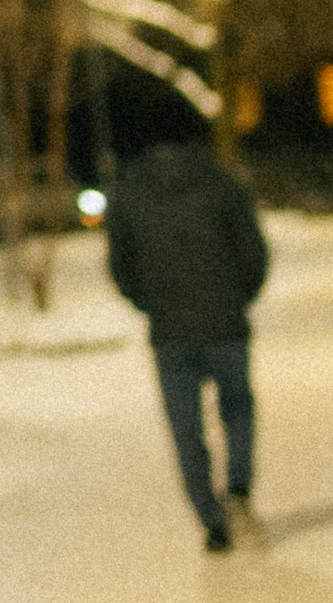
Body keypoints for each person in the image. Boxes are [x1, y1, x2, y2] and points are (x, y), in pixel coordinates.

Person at [104, 119, 272, 553]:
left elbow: (121, 266)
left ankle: (211, 520)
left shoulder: (128, 193)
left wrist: (151, 303)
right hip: (226, 325)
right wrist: (238, 297)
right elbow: (254, 253)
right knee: (237, 409)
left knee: (186, 428)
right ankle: (238, 493)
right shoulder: (224, 183)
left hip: (169, 332)